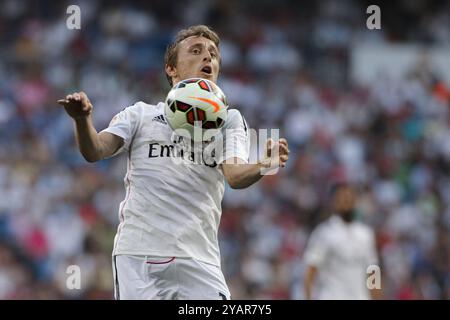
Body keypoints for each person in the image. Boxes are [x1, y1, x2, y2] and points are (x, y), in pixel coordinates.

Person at [57, 25, 289, 300]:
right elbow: (95, 151)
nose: (208, 58)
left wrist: (265, 164)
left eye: (213, 54)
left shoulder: (230, 120)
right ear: (171, 68)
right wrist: (82, 120)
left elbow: (236, 177)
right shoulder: (140, 115)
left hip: (199, 258)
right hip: (140, 252)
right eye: (196, 50)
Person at [303, 183, 381, 300]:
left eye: (350, 198)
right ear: (334, 203)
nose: (347, 202)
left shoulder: (365, 234)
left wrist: (377, 297)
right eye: (343, 199)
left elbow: (372, 271)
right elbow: (310, 271)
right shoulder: (324, 233)